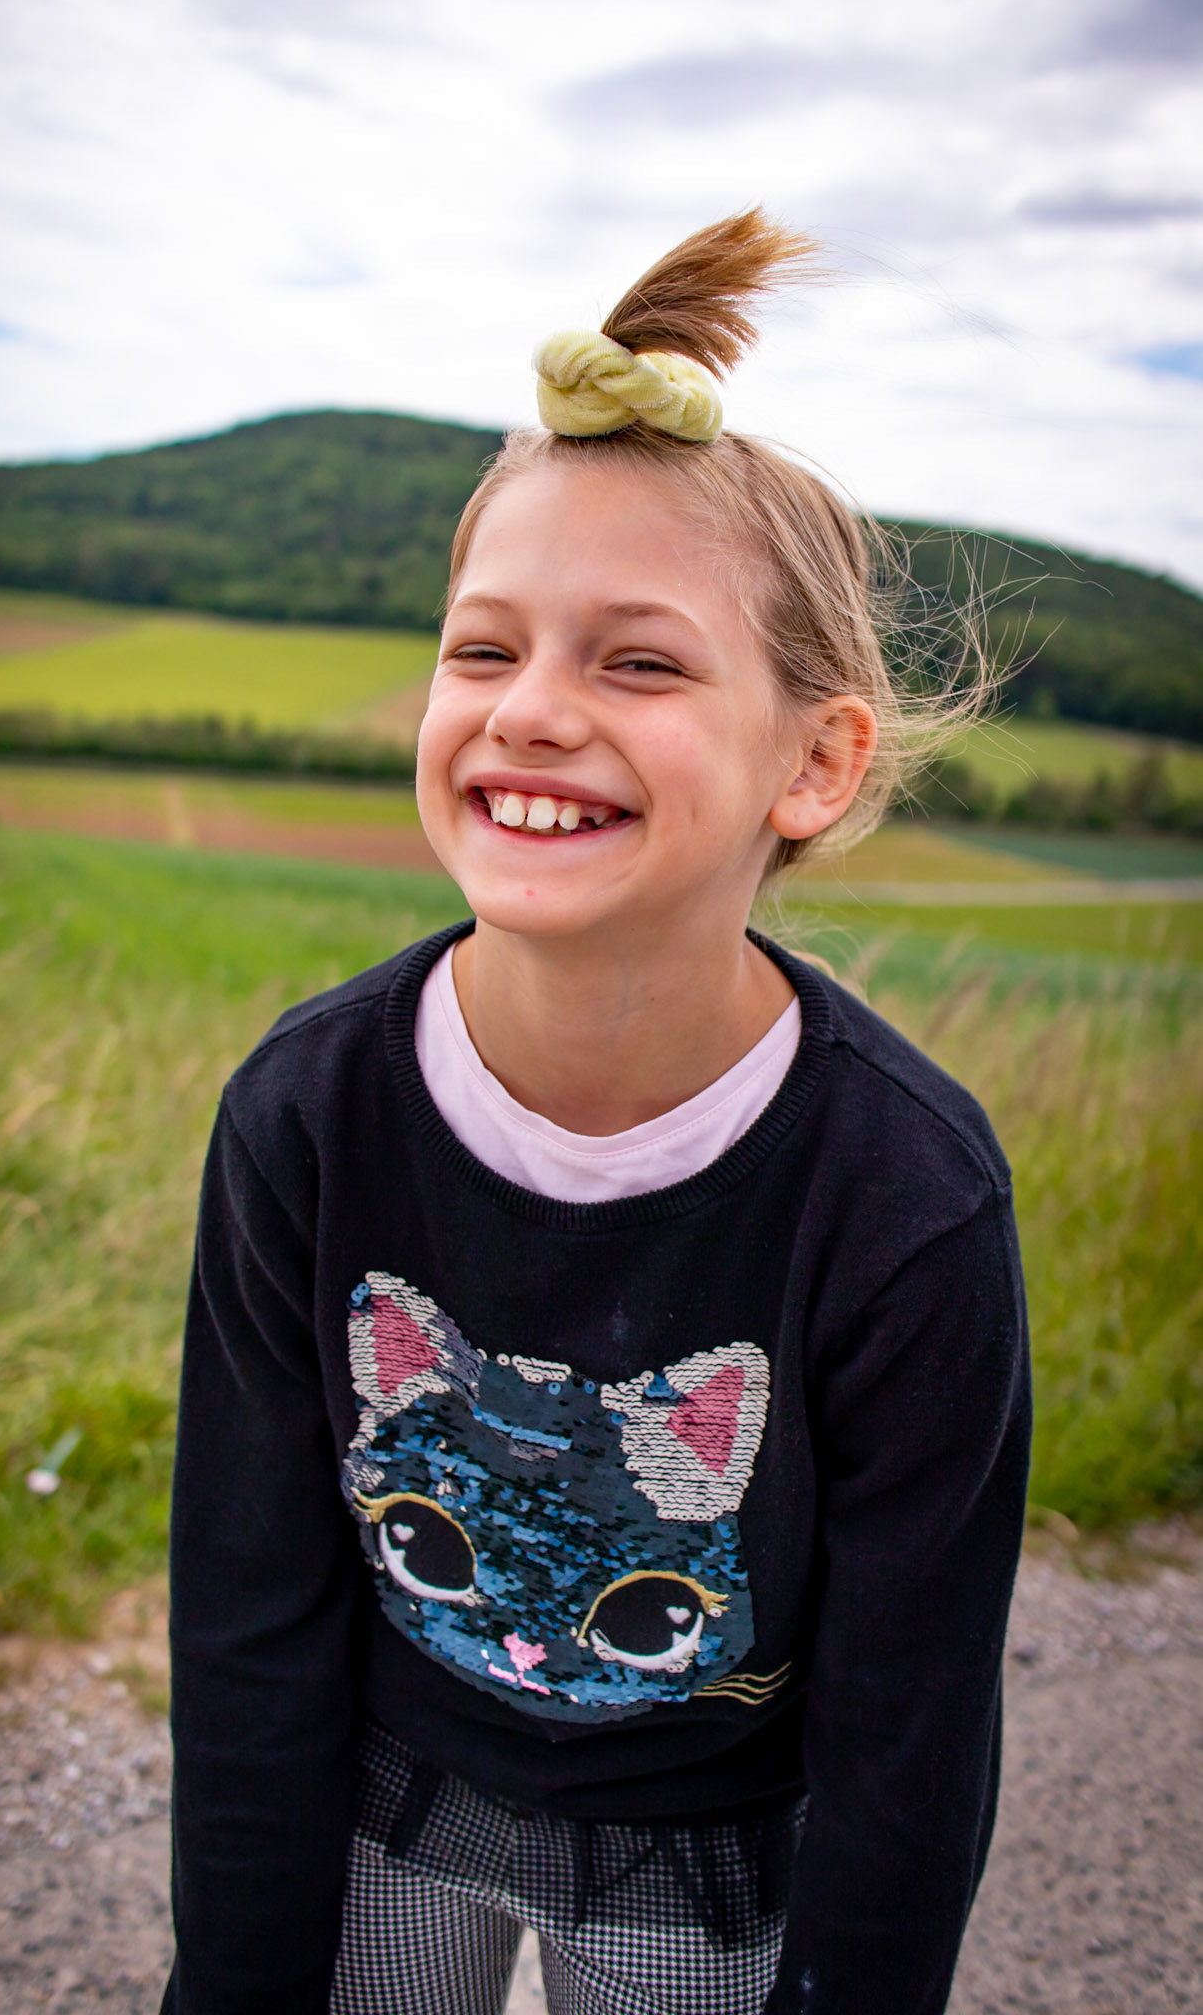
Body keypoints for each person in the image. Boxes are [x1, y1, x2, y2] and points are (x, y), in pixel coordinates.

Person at [162, 210, 1031, 2015]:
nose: (533, 715)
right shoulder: (306, 1117)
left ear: (814, 762)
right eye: (484, 651)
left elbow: (912, 1724)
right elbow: (247, 1616)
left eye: (637, 663)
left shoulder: (904, 1198)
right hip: (376, 1817)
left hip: (709, 1867)